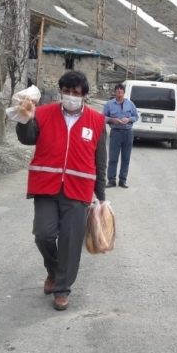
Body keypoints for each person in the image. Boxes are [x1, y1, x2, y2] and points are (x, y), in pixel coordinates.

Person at [16, 71, 107, 311]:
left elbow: (101, 161)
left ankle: (62, 288)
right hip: (46, 185)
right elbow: (27, 139)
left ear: (84, 96)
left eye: (76, 93)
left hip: (79, 190)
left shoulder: (97, 121)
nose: (70, 96)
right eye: (66, 91)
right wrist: (24, 118)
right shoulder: (43, 113)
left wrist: (102, 197)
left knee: (70, 241)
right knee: (43, 235)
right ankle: (54, 271)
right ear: (61, 91)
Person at [103, 83, 139, 188]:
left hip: (128, 133)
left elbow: (136, 116)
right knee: (113, 158)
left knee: (126, 158)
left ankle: (123, 180)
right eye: (117, 91)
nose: (119, 93)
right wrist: (112, 120)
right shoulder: (109, 104)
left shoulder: (130, 104)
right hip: (116, 133)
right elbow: (102, 117)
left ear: (124, 92)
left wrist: (129, 119)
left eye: (121, 91)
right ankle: (111, 180)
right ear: (115, 93)